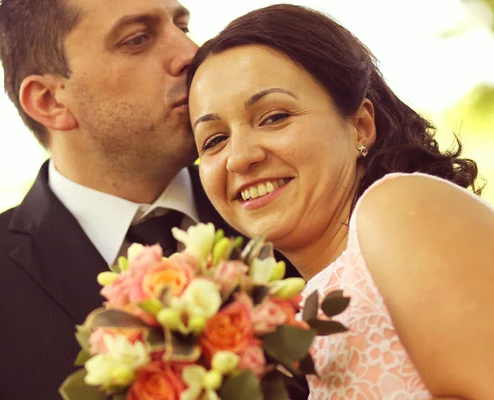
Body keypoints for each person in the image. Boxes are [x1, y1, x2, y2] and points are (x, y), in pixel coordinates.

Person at [0, 0, 308, 399]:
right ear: (50, 101)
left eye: (181, 26)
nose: (191, 53)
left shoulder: (290, 198)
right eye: (137, 39)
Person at [187, 4, 494, 399]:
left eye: (274, 117)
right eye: (213, 141)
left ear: (361, 126)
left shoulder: (397, 206)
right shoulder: (292, 325)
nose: (239, 157)